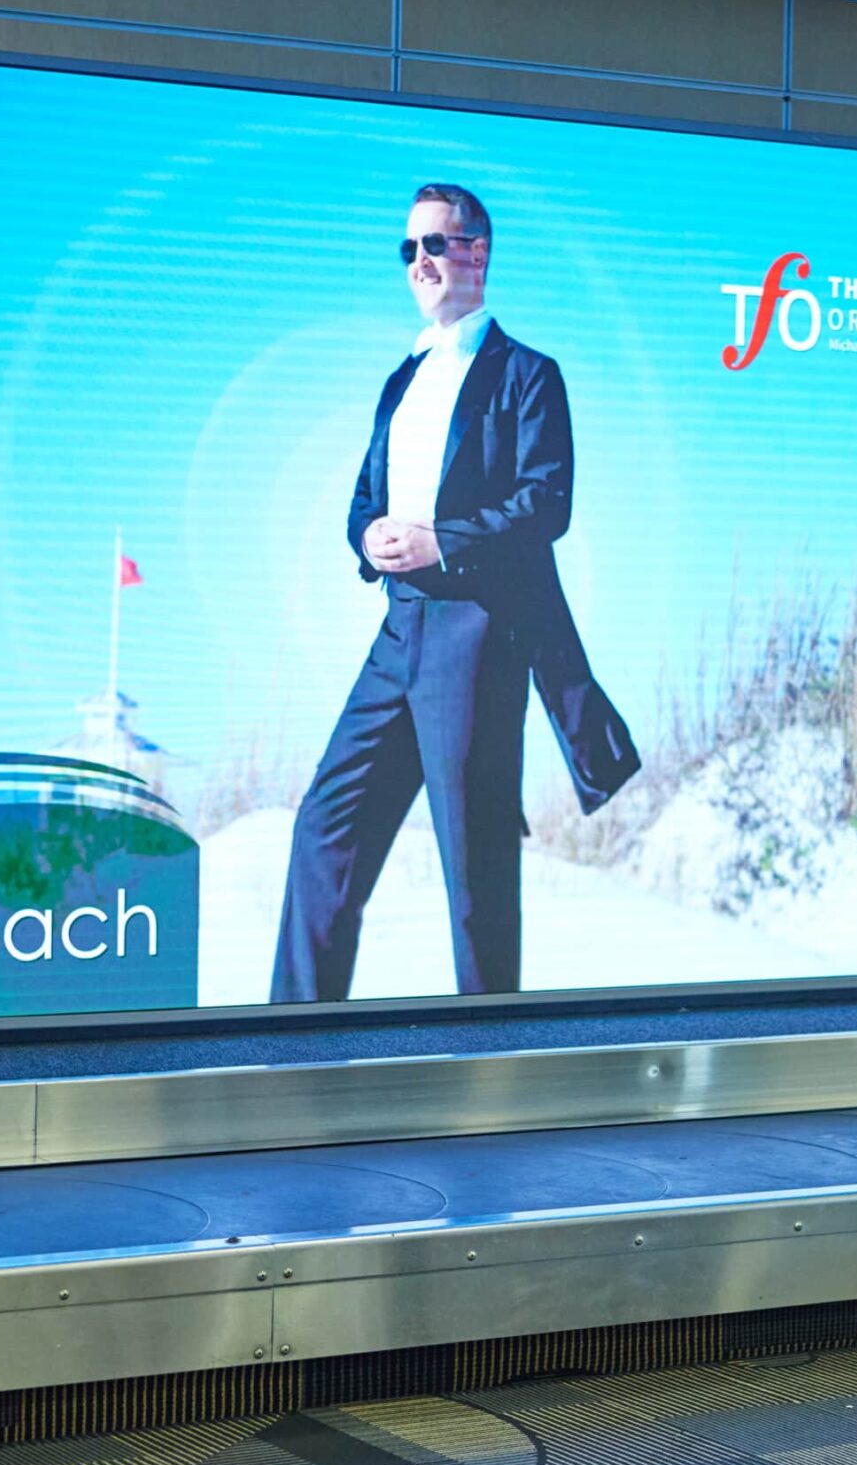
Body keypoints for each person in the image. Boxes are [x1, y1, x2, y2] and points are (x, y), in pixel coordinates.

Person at [270, 184, 636, 1004]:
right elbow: (366, 497)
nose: (420, 263)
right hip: (397, 630)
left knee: (472, 872)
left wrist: (445, 539)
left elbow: (548, 502)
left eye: (435, 244)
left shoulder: (527, 375)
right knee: (323, 830)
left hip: (477, 633)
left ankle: (489, 1061)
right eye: (408, 249)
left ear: (477, 251)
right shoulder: (402, 378)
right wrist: (368, 537)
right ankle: (291, 1044)